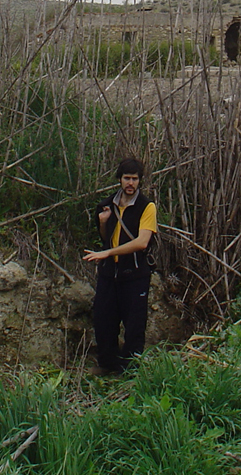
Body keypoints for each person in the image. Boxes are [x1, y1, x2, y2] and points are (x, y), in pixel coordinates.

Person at [83, 157, 157, 375]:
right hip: (109, 273)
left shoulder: (147, 207)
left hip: (135, 274)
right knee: (104, 320)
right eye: (127, 178)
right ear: (120, 180)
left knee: (134, 325)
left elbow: (142, 242)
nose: (130, 183)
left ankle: (132, 371)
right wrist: (104, 222)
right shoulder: (108, 204)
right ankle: (107, 366)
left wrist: (108, 252)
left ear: (140, 181)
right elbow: (106, 239)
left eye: (134, 179)